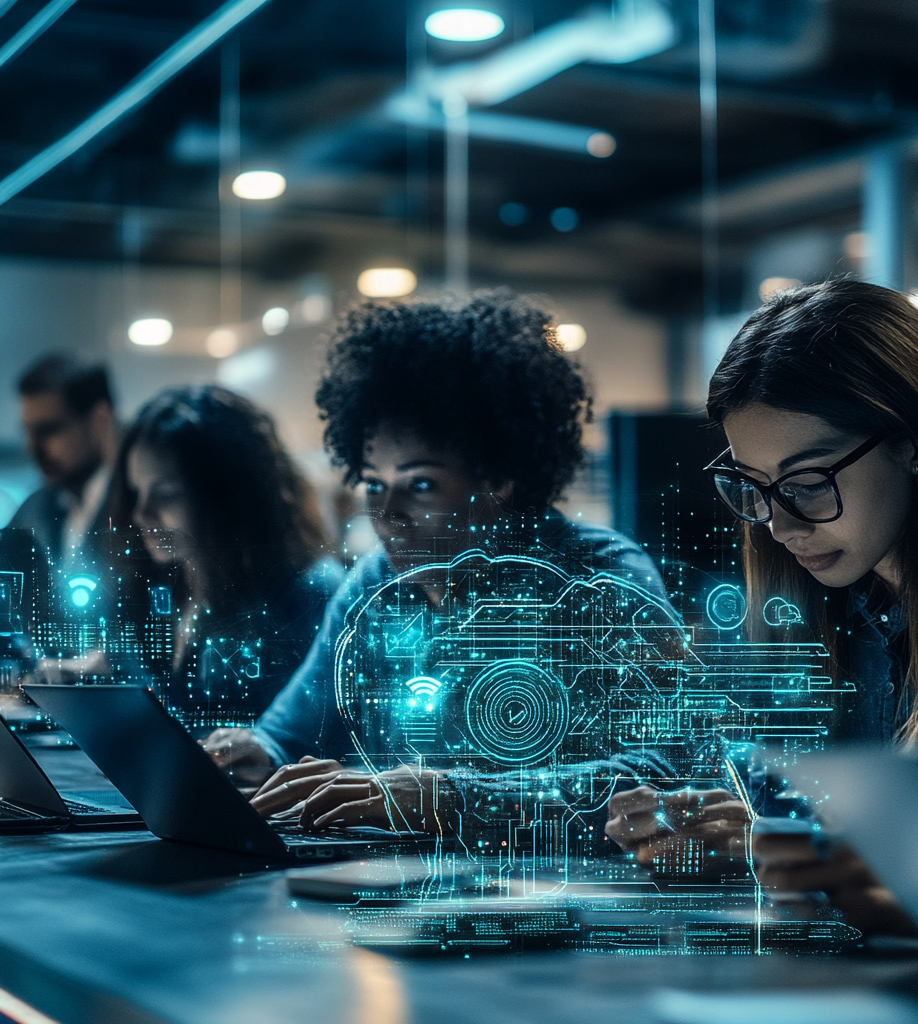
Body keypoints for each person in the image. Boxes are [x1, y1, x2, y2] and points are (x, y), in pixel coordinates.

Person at [604, 279, 918, 934]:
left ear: (917, 443)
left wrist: (850, 858)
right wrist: (745, 834)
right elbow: (710, 767)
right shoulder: (824, 611)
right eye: (755, 487)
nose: (778, 523)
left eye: (806, 483)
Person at [205, 291, 675, 837]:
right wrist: (253, 751)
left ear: (501, 474)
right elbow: (289, 734)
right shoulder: (374, 584)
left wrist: (455, 797)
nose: (386, 517)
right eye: (374, 485)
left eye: (421, 485)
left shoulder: (601, 578)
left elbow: (671, 769)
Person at [69, 385, 343, 728]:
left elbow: (306, 742)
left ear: (226, 495)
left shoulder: (308, 595)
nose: (141, 514)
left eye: (166, 494)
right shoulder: (164, 589)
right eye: (137, 492)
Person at [10, 355, 118, 566]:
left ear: (99, 420)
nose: (31, 448)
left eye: (48, 430)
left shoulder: (142, 510)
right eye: (28, 432)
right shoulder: (31, 512)